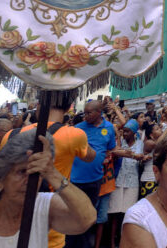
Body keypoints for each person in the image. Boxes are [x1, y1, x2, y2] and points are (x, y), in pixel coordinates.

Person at [0, 130, 96, 248]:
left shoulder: (42, 206)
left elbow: (86, 219)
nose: (29, 181)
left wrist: (52, 174)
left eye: (35, 173)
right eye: (22, 172)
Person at [0, 90, 95, 248]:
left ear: (38, 106)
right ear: (67, 109)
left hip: (8, 224)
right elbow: (90, 156)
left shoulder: (11, 135)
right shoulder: (74, 135)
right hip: (49, 225)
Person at [66, 100, 115, 248]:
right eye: (84, 112)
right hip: (75, 180)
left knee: (88, 217)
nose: (85, 116)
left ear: (99, 113)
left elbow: (110, 149)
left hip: (95, 180)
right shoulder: (78, 128)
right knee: (72, 216)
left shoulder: (109, 128)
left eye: (89, 113)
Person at [108, 119, 144, 247]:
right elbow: (115, 152)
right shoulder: (119, 142)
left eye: (128, 132)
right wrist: (130, 155)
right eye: (124, 131)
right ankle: (112, 242)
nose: (125, 134)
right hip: (118, 180)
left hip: (132, 182)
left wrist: (131, 155)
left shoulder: (140, 143)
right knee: (114, 213)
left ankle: (124, 241)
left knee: (127, 214)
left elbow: (141, 157)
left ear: (134, 132)